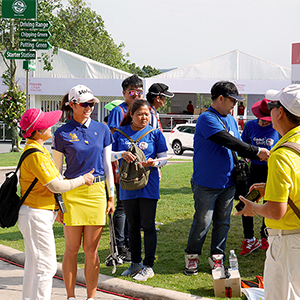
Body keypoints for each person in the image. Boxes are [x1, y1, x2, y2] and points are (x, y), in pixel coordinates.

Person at [184, 81, 270, 276]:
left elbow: (237, 145)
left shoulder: (231, 119)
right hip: (206, 182)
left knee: (223, 223)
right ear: (220, 98)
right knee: (202, 222)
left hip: (229, 181)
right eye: (232, 100)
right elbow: (226, 140)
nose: (235, 105)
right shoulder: (206, 118)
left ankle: (217, 258)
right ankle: (192, 256)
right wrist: (256, 151)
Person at [18, 108, 94, 300]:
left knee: (34, 264)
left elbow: (56, 177)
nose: (51, 126)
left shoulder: (39, 149)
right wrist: (82, 180)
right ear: (37, 131)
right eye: (46, 124)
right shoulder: (36, 153)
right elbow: (56, 185)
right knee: (46, 266)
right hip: (36, 214)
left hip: (36, 213)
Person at [236, 84, 300, 300]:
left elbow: (275, 211)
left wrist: (252, 208)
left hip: (288, 242)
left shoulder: (282, 155)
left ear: (280, 112)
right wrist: (270, 188)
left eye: (272, 106)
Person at [52, 85, 115, 300]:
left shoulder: (103, 129)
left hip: (97, 192)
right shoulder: (61, 133)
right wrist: (57, 203)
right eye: (84, 104)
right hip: (71, 192)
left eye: (91, 104)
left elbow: (107, 165)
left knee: (91, 250)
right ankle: (70, 296)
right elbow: (56, 172)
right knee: (71, 249)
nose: (89, 107)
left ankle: (91, 297)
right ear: (72, 105)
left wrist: (111, 195)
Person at [112, 99, 168, 281]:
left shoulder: (155, 133)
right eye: (139, 114)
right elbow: (109, 154)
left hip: (148, 186)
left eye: (147, 114)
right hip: (127, 187)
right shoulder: (119, 133)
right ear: (131, 115)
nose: (144, 117)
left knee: (148, 225)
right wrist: (121, 154)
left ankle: (148, 265)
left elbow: (164, 158)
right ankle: (135, 263)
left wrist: (154, 163)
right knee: (132, 226)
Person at [108, 74, 144, 263]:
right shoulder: (118, 111)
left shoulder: (144, 110)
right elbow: (114, 138)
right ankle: (120, 246)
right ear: (124, 93)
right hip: (120, 167)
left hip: (139, 169)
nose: (136, 95)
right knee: (121, 206)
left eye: (139, 92)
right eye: (132, 92)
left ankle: (130, 243)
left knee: (134, 207)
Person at [239, 98, 279, 256]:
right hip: (254, 169)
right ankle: (249, 238)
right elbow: (243, 147)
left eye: (266, 121)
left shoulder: (277, 127)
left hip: (272, 170)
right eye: (261, 121)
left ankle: (265, 236)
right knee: (247, 201)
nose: (263, 124)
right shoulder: (250, 126)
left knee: (269, 203)